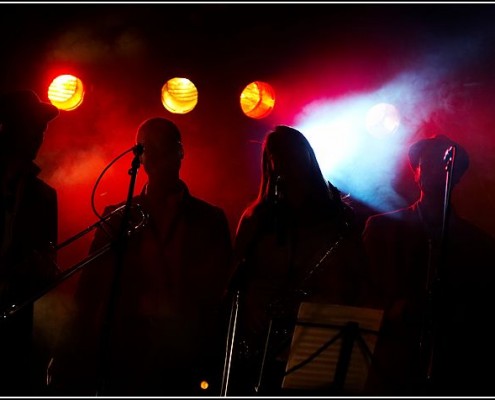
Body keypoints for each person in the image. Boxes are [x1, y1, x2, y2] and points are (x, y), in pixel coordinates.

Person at [49, 117, 234, 396]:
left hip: (187, 350)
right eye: (150, 149)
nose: (157, 156)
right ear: (140, 156)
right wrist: (67, 350)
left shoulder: (210, 219)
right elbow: (89, 289)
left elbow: (224, 291)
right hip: (129, 348)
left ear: (180, 152)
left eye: (164, 148)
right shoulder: (118, 216)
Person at [225, 125, 369, 396]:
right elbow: (235, 281)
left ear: (307, 159)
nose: (285, 166)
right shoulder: (257, 219)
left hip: (319, 342)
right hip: (264, 348)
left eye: (292, 157)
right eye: (276, 158)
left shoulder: (337, 219)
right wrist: (250, 310)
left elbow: (358, 283)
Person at [362, 132, 495, 396]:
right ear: (416, 172)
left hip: (455, 370)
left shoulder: (480, 244)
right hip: (391, 366)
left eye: (443, 164)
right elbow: (360, 290)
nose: (434, 168)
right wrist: (394, 309)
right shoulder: (381, 228)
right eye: (427, 162)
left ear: (456, 177)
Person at [0, 89, 60, 395]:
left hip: (13, 342)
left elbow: (48, 273)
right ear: (7, 126)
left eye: (43, 126)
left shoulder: (45, 197)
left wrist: (44, 272)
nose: (40, 133)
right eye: (33, 124)